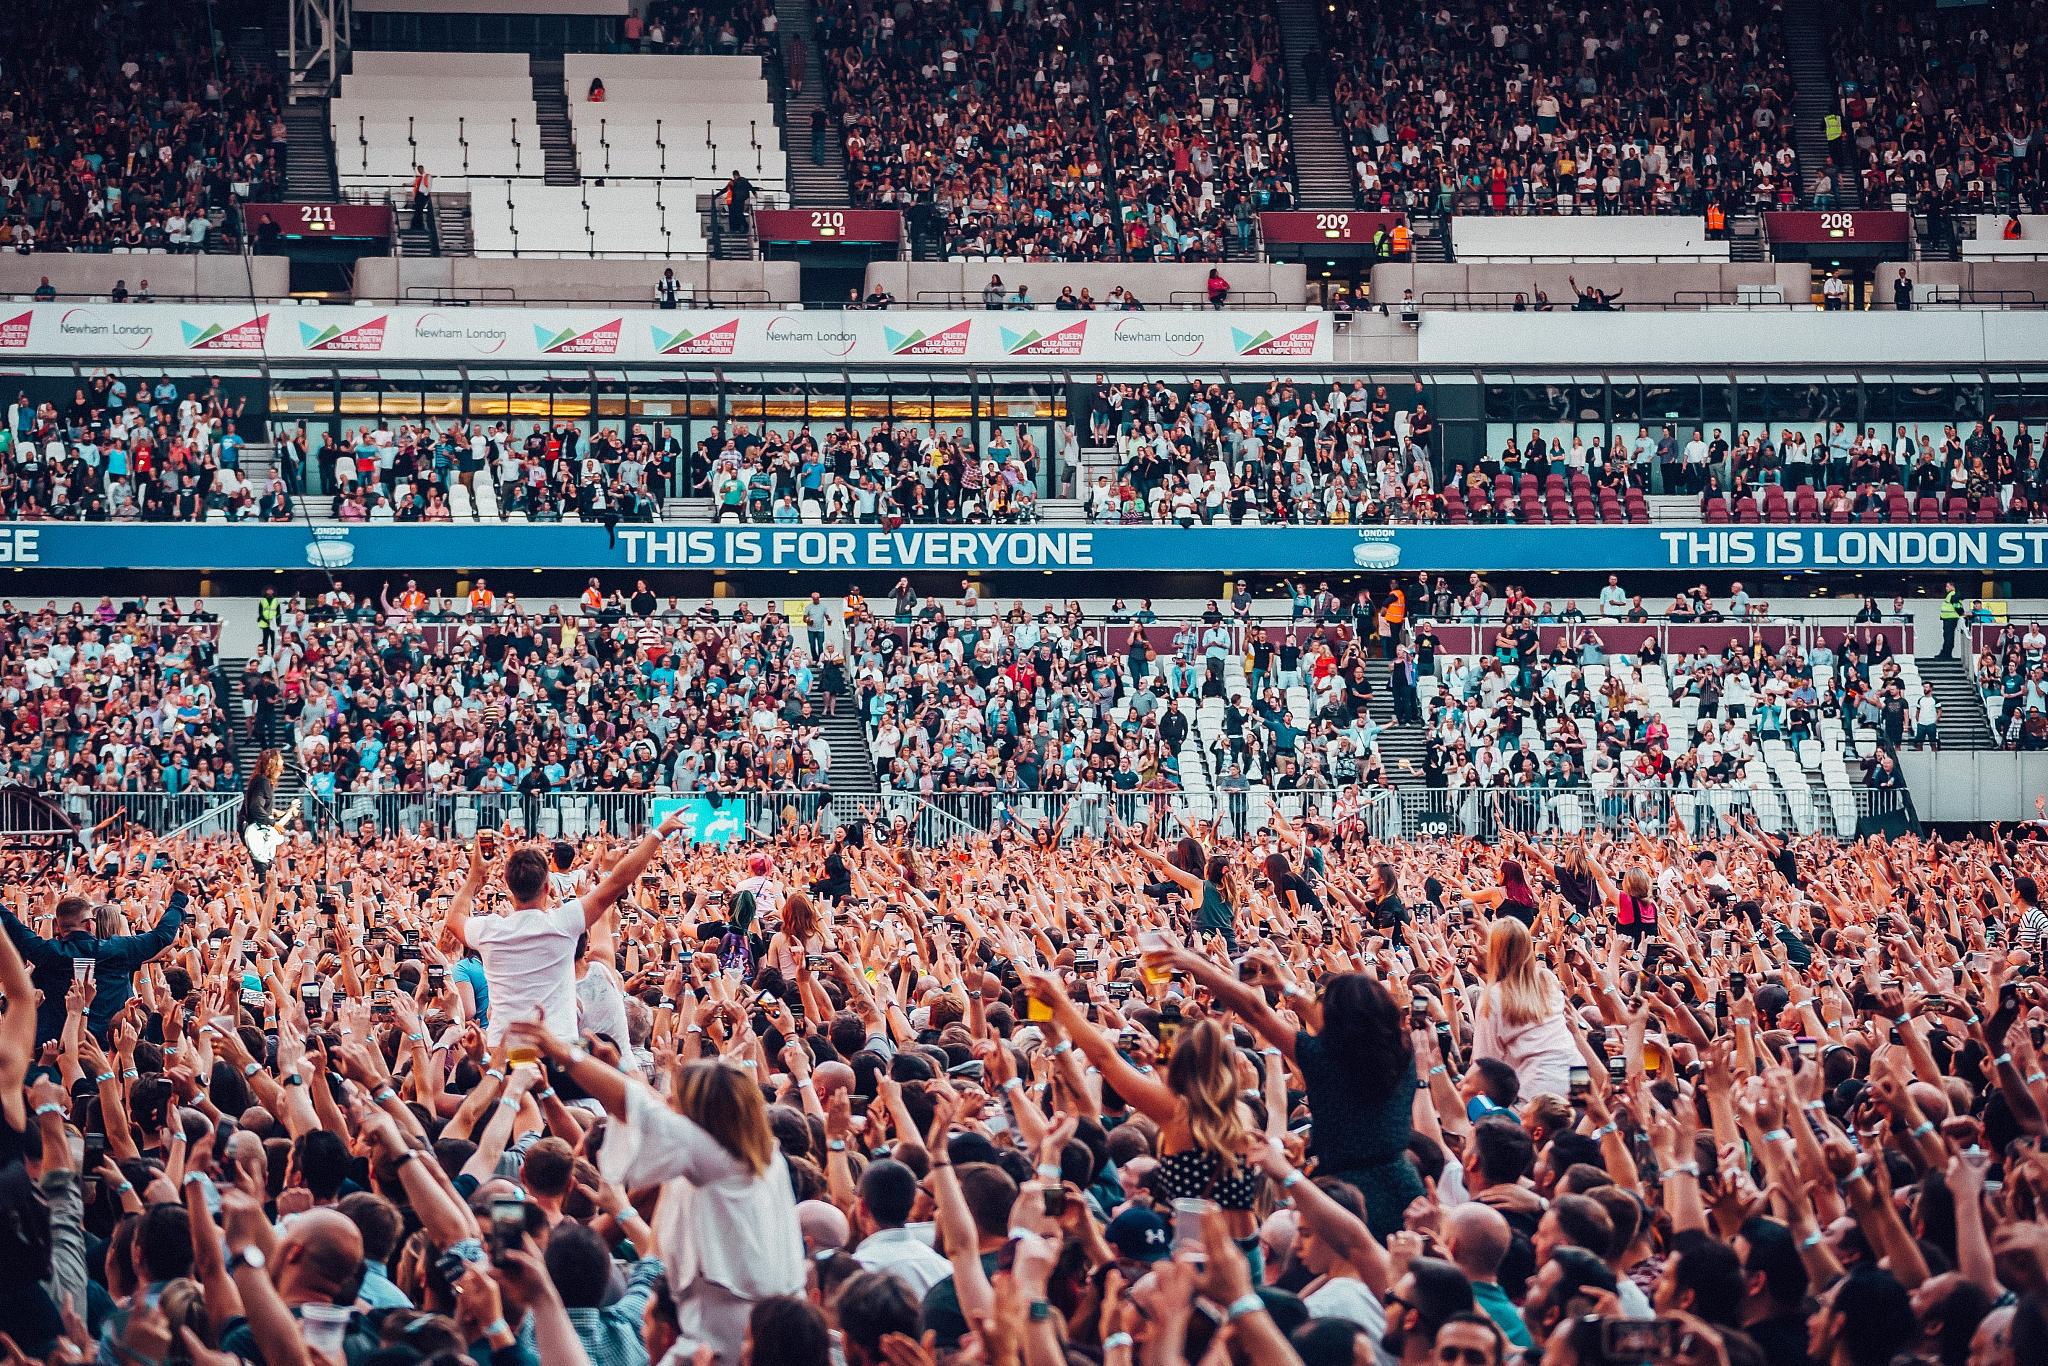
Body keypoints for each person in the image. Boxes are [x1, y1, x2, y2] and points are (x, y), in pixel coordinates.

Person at [507, 1018, 805, 1364]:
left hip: (730, 1342)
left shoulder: (722, 1163)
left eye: (679, 1101)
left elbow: (636, 1107)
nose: (668, 1100)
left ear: (702, 1119)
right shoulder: (760, 1158)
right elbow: (655, 1109)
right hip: (750, 1333)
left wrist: (563, 1052)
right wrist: (618, 1068)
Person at [442, 808, 685, 1046]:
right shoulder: (563, 923)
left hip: (503, 1049)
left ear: (509, 887)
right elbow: (618, 881)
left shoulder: (490, 930)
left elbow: (454, 919)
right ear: (548, 887)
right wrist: (658, 834)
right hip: (556, 1048)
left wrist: (474, 875)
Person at [1, 875, 191, 1046]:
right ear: (88, 924)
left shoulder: (47, 953)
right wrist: (179, 897)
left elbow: (11, 925)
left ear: (58, 926)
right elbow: (162, 936)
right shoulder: (118, 949)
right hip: (112, 1047)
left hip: (57, 1050)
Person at [1470, 917, 1579, 1103]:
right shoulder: (1547, 979)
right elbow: (1519, 970)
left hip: (1538, 1097)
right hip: (1577, 1084)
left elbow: (1485, 1064)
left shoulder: (1493, 998)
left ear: (1493, 954)